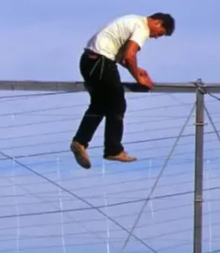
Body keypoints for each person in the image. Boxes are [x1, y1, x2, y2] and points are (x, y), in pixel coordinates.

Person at [70, 13, 175, 170]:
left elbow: (124, 59)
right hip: (102, 62)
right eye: (159, 34)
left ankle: (80, 142)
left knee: (99, 105)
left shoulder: (131, 20)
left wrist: (137, 70)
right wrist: (138, 78)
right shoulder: (142, 27)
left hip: (88, 61)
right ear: (158, 22)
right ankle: (113, 149)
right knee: (117, 103)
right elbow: (130, 55)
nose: (155, 37)